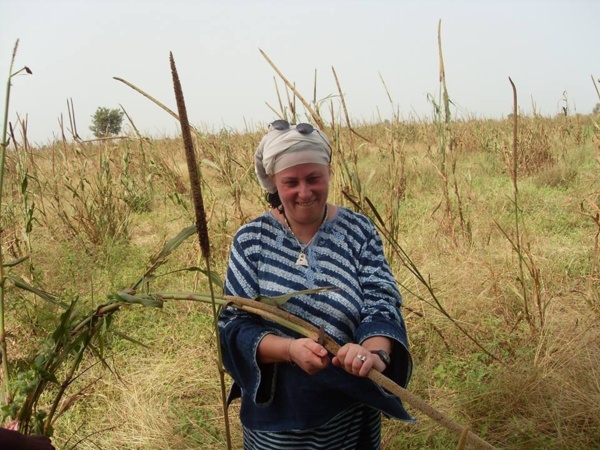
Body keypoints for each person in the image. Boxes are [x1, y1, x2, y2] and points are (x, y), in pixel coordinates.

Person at [218, 120, 413, 449]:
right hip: (278, 418)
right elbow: (235, 325)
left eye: (314, 179)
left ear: (329, 173)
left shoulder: (358, 231)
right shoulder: (251, 240)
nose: (305, 193)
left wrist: (373, 353)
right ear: (274, 184)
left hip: (349, 404)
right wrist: (290, 350)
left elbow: (381, 301)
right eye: (291, 182)